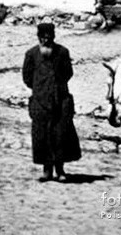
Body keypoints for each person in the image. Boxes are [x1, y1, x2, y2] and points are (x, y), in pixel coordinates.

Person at [22, 22, 81, 182]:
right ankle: (47, 171)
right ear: (39, 38)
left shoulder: (62, 52)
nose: (46, 41)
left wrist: (56, 86)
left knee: (60, 135)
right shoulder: (31, 54)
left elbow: (68, 73)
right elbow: (27, 78)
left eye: (49, 38)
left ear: (53, 37)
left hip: (60, 100)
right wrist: (40, 88)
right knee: (42, 136)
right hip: (40, 102)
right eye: (43, 38)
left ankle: (60, 170)